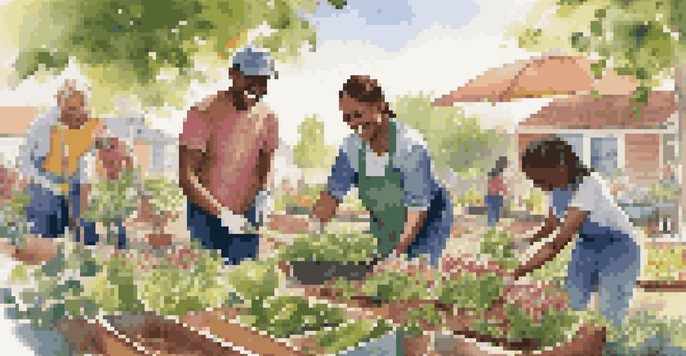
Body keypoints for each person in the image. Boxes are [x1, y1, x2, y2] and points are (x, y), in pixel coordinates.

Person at [310, 75, 454, 266]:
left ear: (379, 105)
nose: (353, 124)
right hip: (386, 222)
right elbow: (332, 194)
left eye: (358, 115)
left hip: (427, 221)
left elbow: (417, 209)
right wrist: (312, 230)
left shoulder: (410, 147)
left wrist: (397, 254)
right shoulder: (352, 148)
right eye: (347, 118)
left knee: (413, 275)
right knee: (379, 278)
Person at [509, 136, 640, 327]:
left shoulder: (588, 185)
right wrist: (525, 241)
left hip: (619, 247)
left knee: (610, 311)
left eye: (538, 177)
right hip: (587, 245)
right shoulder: (555, 187)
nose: (536, 184)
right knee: (572, 303)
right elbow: (551, 225)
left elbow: (557, 243)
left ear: (559, 168)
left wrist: (515, 273)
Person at [179, 46, 278, 265]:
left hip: (246, 218)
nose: (257, 88)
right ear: (233, 75)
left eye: (264, 81)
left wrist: (261, 200)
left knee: (244, 284)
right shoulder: (202, 113)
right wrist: (223, 215)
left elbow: (264, 168)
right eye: (251, 79)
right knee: (209, 283)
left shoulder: (268, 118)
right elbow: (187, 178)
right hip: (206, 218)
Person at [486, 156, 508, 227]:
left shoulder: (493, 173)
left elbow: (491, 187)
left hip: (492, 196)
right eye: (505, 165)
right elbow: (498, 186)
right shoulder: (497, 175)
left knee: (493, 215)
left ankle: (492, 227)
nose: (506, 167)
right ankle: (493, 228)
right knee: (495, 215)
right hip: (495, 196)